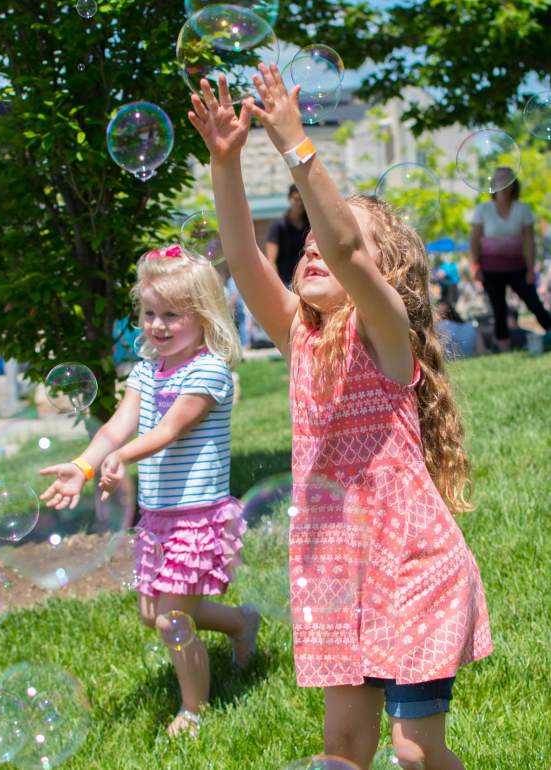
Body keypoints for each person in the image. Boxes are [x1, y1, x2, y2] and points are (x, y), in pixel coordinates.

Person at [188, 66, 493, 770]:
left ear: (386, 270)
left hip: (412, 568)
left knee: (414, 754)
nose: (315, 249)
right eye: (308, 245)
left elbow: (349, 250)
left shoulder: (385, 331)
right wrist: (225, 164)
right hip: (334, 572)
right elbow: (240, 257)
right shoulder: (300, 334)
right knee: (342, 751)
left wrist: (297, 146)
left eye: (336, 239)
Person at [38, 245, 260, 738]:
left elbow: (170, 429)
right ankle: (241, 623)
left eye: (172, 315)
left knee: (171, 621)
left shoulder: (209, 371)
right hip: (158, 517)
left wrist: (125, 459)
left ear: (203, 316)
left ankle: (194, 710)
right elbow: (118, 427)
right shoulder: (145, 370)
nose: (158, 325)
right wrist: (84, 466)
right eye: (150, 313)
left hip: (196, 516)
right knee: (154, 613)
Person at [470, 167, 551, 352]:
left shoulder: (523, 210)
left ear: (513, 184)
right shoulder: (482, 210)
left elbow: (529, 242)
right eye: (498, 178)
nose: (502, 182)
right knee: (499, 310)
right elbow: (474, 241)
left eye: (507, 178)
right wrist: (475, 266)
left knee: (533, 303)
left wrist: (531, 270)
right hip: (490, 269)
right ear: (493, 184)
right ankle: (504, 349)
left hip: (517, 267)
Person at [265, 183, 310, 286]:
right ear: (289, 199)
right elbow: (271, 260)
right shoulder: (277, 227)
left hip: (306, 279)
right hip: (285, 282)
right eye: (296, 199)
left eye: (302, 200)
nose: (299, 203)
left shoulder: (310, 225)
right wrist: (277, 285)